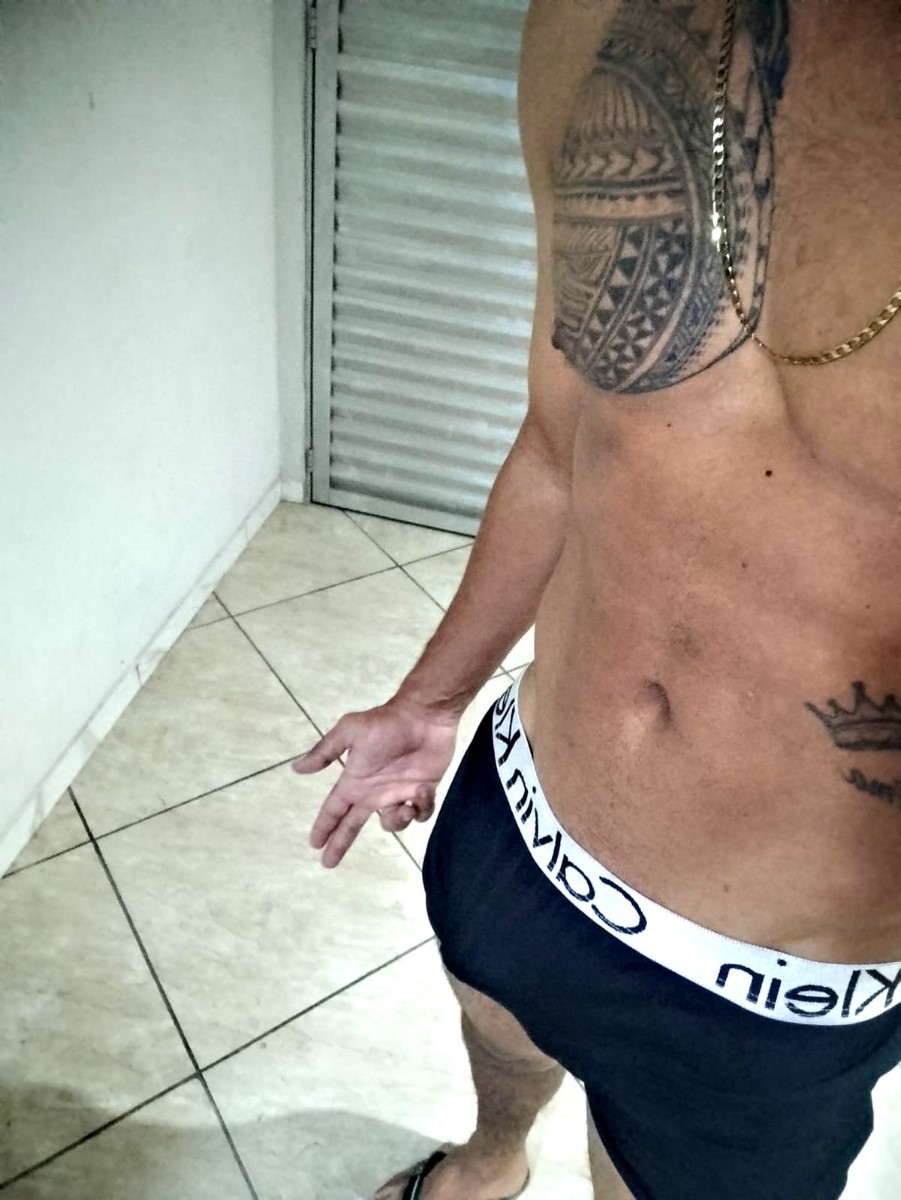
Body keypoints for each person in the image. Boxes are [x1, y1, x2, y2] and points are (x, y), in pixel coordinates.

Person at [293, 0, 901, 1196]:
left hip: (769, 985)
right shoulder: (593, 15)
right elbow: (562, 436)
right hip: (522, 810)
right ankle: (489, 1162)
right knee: (495, 1029)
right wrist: (431, 700)